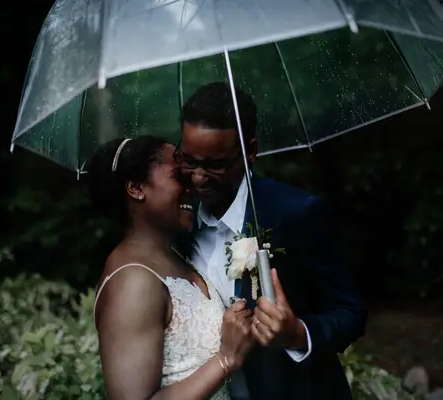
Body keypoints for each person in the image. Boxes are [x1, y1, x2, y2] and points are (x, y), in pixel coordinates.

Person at [177, 82, 368, 399]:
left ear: (250, 150)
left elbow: (350, 312)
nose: (198, 177)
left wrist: (298, 334)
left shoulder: (297, 214)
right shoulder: (178, 221)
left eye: (215, 165)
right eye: (189, 161)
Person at [89, 136, 254, 400]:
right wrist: (226, 358)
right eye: (179, 176)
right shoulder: (132, 281)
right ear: (136, 188)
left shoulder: (178, 256)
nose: (193, 185)